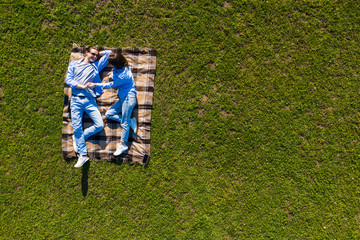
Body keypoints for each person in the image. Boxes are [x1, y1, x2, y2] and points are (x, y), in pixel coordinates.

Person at [65, 46, 112, 168]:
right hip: (75, 99)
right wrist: (80, 86)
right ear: (86, 53)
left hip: (90, 100)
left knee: (99, 125)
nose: (95, 56)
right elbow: (68, 79)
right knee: (76, 127)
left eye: (96, 55)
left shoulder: (95, 66)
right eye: (92, 54)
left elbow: (109, 53)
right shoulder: (74, 64)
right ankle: (83, 155)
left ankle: (80, 137)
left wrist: (99, 53)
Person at [94, 51, 137, 156]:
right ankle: (131, 120)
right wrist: (101, 53)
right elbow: (109, 52)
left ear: (115, 64)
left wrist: (96, 84)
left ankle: (123, 144)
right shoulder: (121, 67)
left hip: (129, 98)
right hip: (123, 97)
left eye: (111, 64)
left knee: (124, 124)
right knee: (109, 114)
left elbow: (110, 85)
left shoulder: (123, 75)